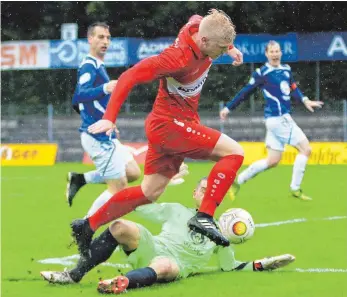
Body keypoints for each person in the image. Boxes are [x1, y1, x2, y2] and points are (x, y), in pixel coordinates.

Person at [71, 9, 245, 254]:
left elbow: (198, 18)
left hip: (169, 124)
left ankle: (87, 225)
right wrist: (110, 118)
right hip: (171, 126)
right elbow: (129, 76)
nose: (220, 53)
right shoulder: (177, 58)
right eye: (220, 48)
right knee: (234, 153)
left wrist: (229, 48)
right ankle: (205, 215)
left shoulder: (199, 27)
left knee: (148, 192)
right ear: (204, 41)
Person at [40, 177, 296, 294]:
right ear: (195, 193)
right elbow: (139, 203)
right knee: (119, 227)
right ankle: (73, 276)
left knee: (164, 265)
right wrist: (159, 184)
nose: (207, 193)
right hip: (152, 246)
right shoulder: (175, 210)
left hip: (176, 264)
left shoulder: (218, 233)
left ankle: (122, 283)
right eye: (203, 189)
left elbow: (231, 267)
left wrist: (263, 264)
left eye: (212, 191)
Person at [67, 22, 188, 215]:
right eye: (100, 37)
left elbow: (78, 100)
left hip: (105, 134)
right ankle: (85, 227)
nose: (105, 41)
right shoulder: (89, 66)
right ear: (90, 39)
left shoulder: (98, 65)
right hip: (97, 138)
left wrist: (106, 120)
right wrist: (104, 90)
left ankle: (81, 179)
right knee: (118, 187)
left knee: (133, 172)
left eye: (108, 37)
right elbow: (80, 95)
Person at [220, 41, 324, 201]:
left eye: (277, 51)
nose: (275, 54)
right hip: (279, 118)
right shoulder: (262, 73)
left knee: (273, 161)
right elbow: (245, 91)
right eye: (272, 52)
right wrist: (228, 107)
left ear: (280, 53)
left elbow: (293, 88)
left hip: (276, 121)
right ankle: (295, 188)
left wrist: (305, 100)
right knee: (305, 149)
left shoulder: (286, 70)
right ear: (267, 54)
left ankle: (238, 181)